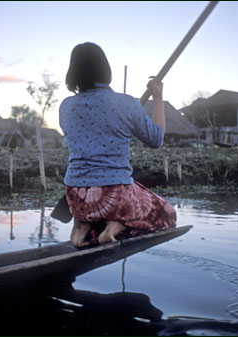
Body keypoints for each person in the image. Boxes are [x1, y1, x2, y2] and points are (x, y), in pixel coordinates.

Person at [59, 42, 177, 247]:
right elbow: (156, 140)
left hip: (75, 196)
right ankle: (115, 227)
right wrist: (158, 97)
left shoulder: (66, 107)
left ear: (73, 73)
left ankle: (82, 228)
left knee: (97, 206)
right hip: (114, 194)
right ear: (105, 70)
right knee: (167, 214)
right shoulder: (126, 103)